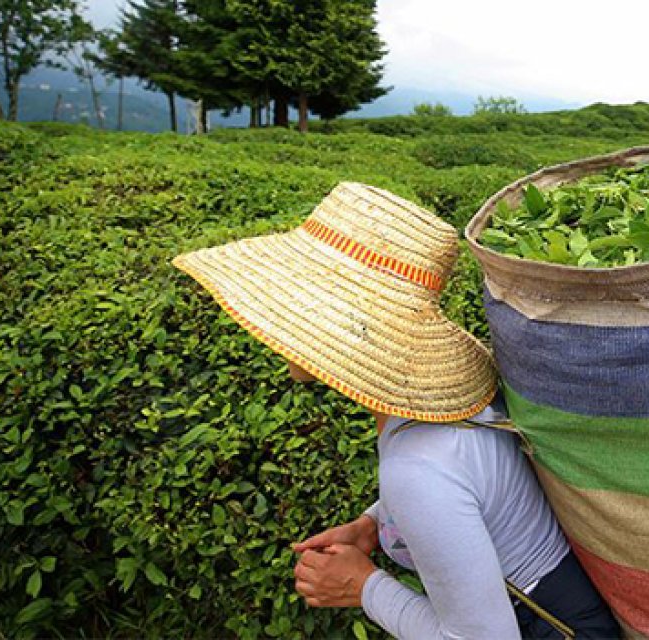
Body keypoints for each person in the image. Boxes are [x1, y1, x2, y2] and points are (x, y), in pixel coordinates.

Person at [172, 182, 620, 639]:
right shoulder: (449, 413)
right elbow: (471, 486)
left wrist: (362, 586)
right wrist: (374, 525)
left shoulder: (416, 470)